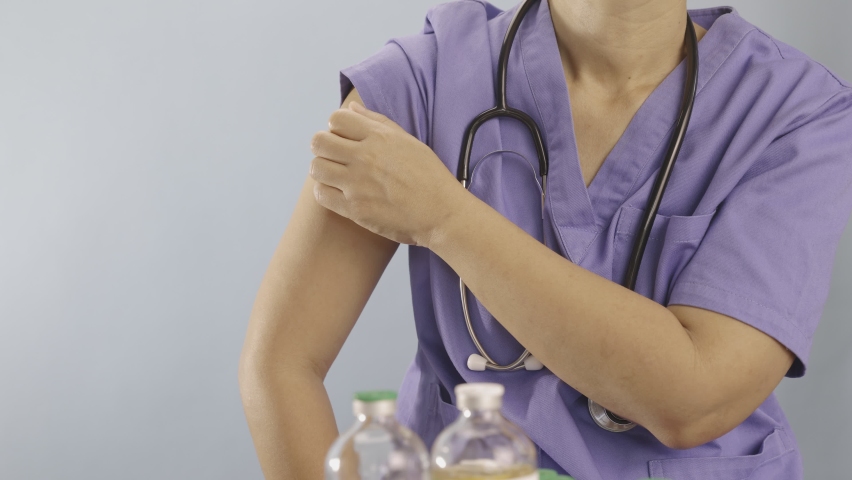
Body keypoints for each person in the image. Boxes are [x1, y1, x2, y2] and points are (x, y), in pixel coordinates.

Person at [238, 0, 852, 478]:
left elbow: (696, 401)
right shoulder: (425, 81)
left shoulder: (796, 114)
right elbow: (281, 363)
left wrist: (444, 217)